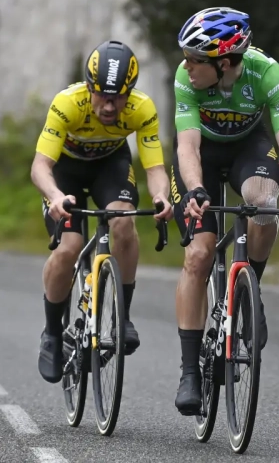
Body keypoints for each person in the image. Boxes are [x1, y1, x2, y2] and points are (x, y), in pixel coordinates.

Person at [170, 7, 279, 415]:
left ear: (225, 62)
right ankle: (188, 372)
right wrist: (196, 188)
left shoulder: (267, 74)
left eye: (194, 59)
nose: (186, 67)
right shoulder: (187, 79)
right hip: (202, 152)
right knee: (199, 254)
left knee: (264, 203)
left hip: (247, 149)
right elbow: (187, 146)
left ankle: (248, 288)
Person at [30, 40, 173, 384]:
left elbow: (154, 167)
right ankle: (52, 333)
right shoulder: (68, 103)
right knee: (69, 247)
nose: (110, 106)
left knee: (123, 220)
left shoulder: (142, 108)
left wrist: (162, 198)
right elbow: (40, 165)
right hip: (65, 172)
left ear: (130, 93)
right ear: (90, 88)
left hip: (109, 166)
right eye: (102, 96)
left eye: (119, 97)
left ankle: (122, 316)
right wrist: (54, 196)